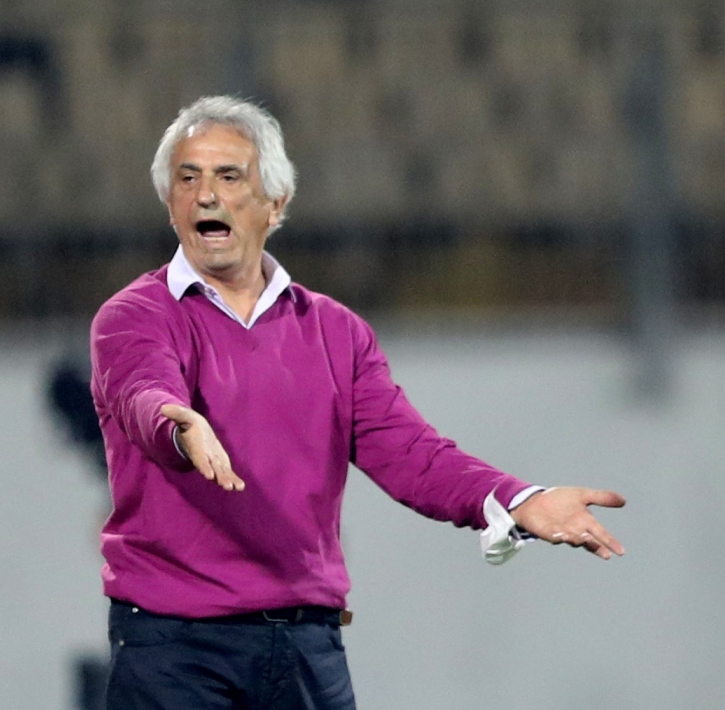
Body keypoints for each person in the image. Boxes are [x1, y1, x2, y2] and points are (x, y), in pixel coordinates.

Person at [89, 96, 625, 710]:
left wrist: (517, 499)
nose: (205, 195)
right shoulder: (134, 316)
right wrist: (178, 427)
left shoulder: (336, 333)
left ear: (275, 202)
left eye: (228, 176)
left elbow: (412, 455)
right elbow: (142, 392)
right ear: (170, 202)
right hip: (176, 651)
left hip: (306, 650)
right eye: (188, 179)